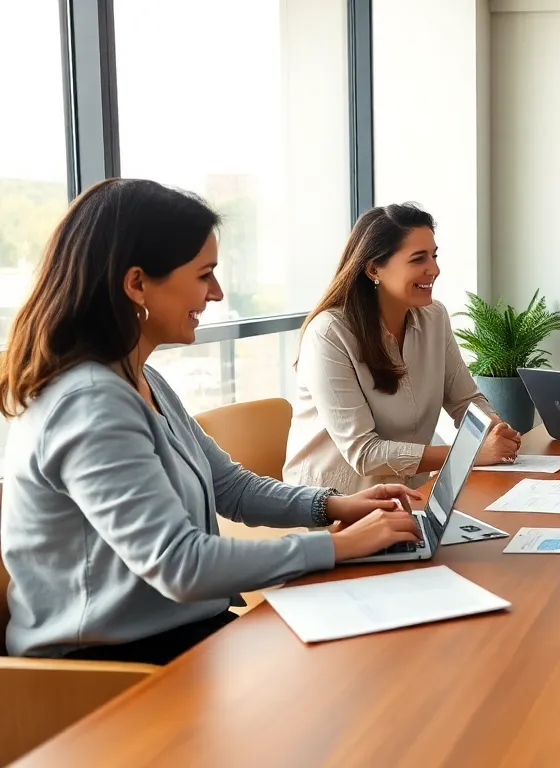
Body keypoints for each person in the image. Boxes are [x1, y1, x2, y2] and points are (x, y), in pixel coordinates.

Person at [0, 179, 425, 663]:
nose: (218, 293)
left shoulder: (141, 378)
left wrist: (334, 506)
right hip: (109, 667)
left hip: (178, 634)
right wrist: (339, 547)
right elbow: (181, 564)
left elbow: (231, 487)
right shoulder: (90, 404)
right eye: (205, 275)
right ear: (136, 284)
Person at [284, 203, 520, 495]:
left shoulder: (434, 317)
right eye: (418, 259)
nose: (434, 269)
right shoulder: (329, 333)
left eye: (433, 256)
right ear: (374, 269)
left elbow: (464, 400)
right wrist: (470, 453)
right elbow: (364, 453)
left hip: (410, 494)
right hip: (335, 502)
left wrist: (495, 429)